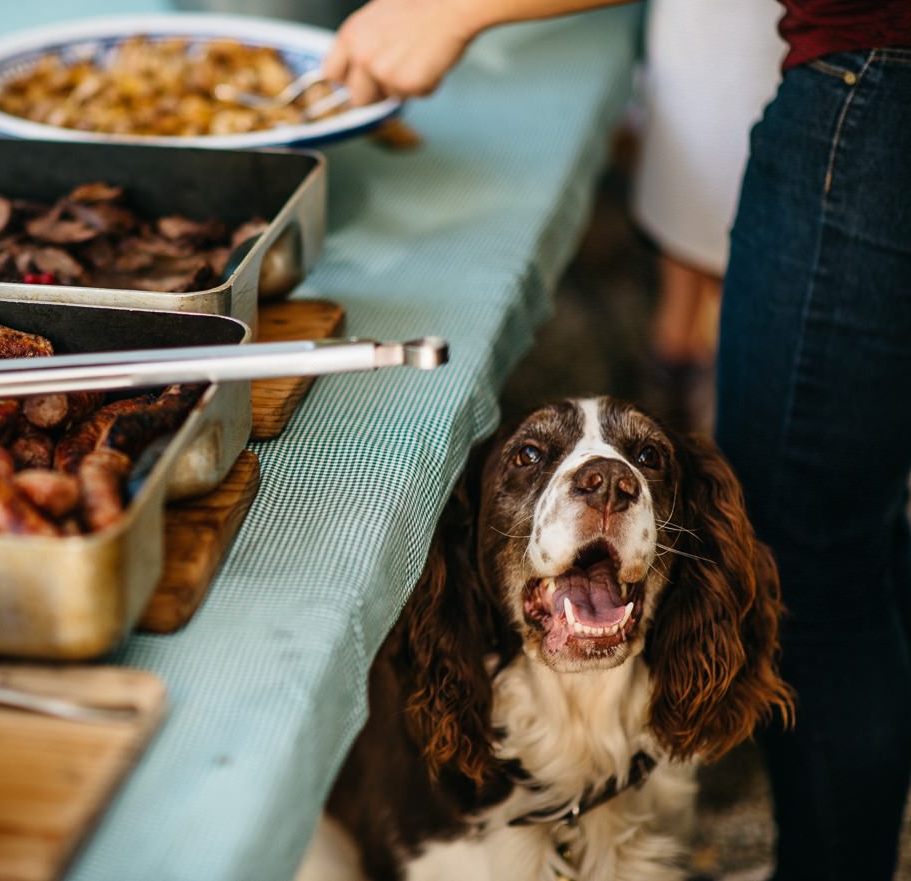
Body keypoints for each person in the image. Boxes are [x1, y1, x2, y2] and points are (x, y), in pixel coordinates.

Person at [324, 2, 911, 879]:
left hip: (875, 71)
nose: (607, 479)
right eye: (532, 459)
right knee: (855, 531)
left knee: (819, 556)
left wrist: (451, 9)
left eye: (640, 462)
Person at [629, 0, 785, 435]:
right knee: (686, 200)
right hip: (691, 34)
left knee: (743, 225)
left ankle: (717, 388)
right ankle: (676, 353)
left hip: (773, 38)